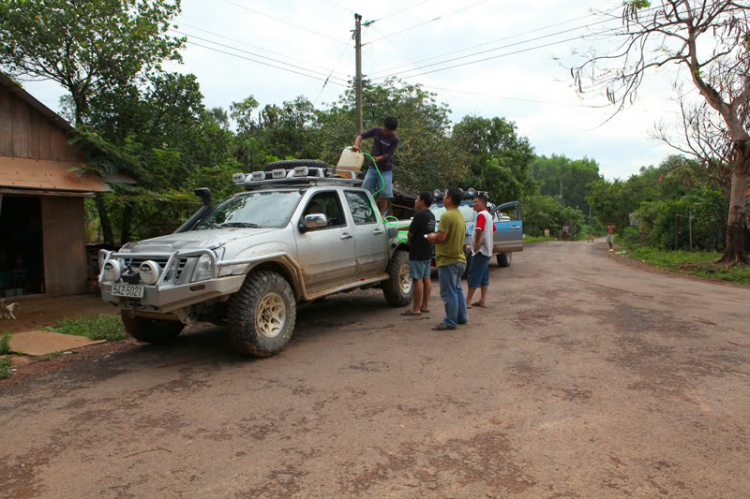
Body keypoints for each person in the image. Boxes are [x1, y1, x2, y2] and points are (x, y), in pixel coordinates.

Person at [426, 187, 467, 331]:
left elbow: (441, 237)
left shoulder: (446, 216)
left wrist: (432, 237)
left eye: (444, 195)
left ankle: (450, 321)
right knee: (457, 289)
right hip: (459, 259)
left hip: (448, 260)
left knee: (448, 292)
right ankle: (461, 317)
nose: (443, 197)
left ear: (449, 199)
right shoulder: (459, 215)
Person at [352, 117, 399, 217]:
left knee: (385, 191)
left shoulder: (394, 139)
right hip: (373, 168)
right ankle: (366, 211)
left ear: (393, 131)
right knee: (365, 188)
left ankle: (382, 215)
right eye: (385, 129)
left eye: (389, 131)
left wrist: (380, 158)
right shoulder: (376, 131)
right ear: (383, 126)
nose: (386, 132)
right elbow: (361, 136)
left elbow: (388, 155)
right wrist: (356, 145)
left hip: (386, 170)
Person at [401, 192, 436, 317]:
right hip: (427, 251)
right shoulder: (431, 216)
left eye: (417, 199)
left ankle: (416, 309)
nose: (415, 201)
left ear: (422, 201)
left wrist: (409, 242)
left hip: (417, 251)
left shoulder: (419, 215)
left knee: (417, 280)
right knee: (426, 278)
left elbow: (410, 234)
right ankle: (424, 305)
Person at [466, 193, 494, 309]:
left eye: (475, 202)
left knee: (474, 275)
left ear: (482, 203)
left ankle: (467, 301)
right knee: (483, 276)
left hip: (480, 251)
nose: (473, 204)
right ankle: (482, 300)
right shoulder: (488, 215)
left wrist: (477, 244)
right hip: (487, 250)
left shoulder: (481, 215)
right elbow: (494, 229)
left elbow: (479, 230)